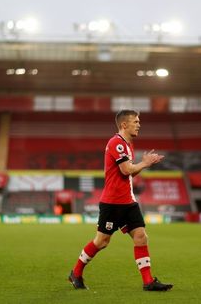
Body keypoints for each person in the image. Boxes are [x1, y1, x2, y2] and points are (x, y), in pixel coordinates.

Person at [68, 109, 173, 291]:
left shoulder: (127, 144)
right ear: (124, 124)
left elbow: (130, 170)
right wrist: (144, 163)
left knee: (141, 237)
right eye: (136, 121)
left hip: (128, 202)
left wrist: (142, 164)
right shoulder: (117, 143)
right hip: (112, 203)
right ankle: (76, 273)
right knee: (102, 241)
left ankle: (148, 282)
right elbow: (126, 170)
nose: (139, 124)